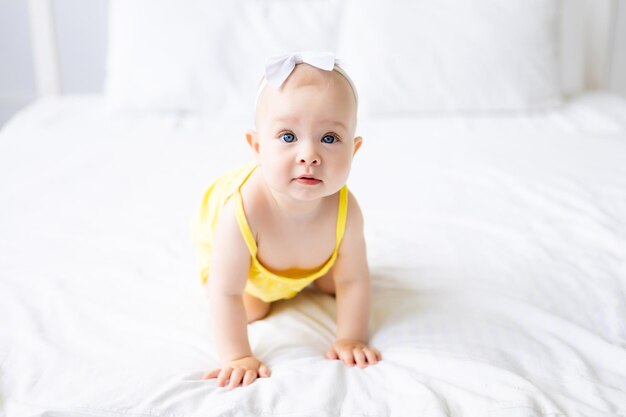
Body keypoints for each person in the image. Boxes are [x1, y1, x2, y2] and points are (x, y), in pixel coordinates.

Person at [191, 51, 382, 390]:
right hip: (250, 274)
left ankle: (310, 276)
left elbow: (354, 280)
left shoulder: (346, 209)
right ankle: (269, 291)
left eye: (329, 138)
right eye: (288, 137)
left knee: (334, 285)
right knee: (253, 309)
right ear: (257, 146)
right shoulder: (243, 212)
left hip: (312, 263)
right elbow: (226, 292)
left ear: (354, 151)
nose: (309, 155)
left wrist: (350, 337)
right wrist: (237, 357)